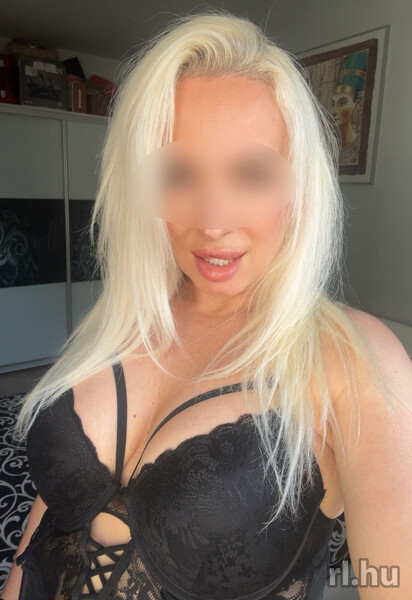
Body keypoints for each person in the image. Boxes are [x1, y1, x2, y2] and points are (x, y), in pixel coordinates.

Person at [3, 10, 412, 600]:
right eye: (179, 173)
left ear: (300, 187)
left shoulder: (355, 359)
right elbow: (49, 519)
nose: (213, 221)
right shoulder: (125, 320)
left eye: (250, 173)